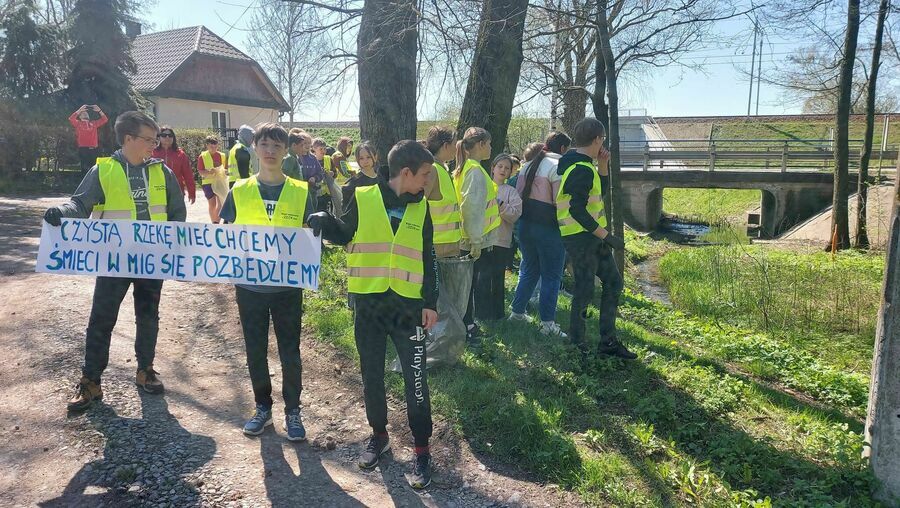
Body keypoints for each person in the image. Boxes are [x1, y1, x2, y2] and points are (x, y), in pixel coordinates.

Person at [307, 140, 438, 489]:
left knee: (416, 381)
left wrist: (431, 302)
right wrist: (325, 221)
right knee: (372, 376)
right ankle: (379, 436)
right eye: (425, 175)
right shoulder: (363, 197)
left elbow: (429, 256)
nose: (428, 181)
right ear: (406, 173)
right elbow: (344, 232)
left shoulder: (422, 208)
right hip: (368, 306)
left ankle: (422, 449)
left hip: (408, 310)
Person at [43, 111, 187, 411]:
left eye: (157, 139)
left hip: (151, 261)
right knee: (101, 319)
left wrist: (176, 251)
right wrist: (62, 213)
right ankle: (91, 381)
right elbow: (79, 204)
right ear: (128, 139)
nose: (155, 145)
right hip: (114, 261)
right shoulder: (103, 171)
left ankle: (145, 370)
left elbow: (177, 215)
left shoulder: (163, 172)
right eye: (149, 139)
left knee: (148, 317)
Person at [219, 122, 316, 441]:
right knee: (255, 350)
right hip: (250, 288)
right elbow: (223, 235)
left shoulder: (301, 192)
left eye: (277, 146)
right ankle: (262, 408)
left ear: (286, 150)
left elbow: (311, 236)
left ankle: (293, 411)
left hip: (288, 288)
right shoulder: (240, 190)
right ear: (255, 149)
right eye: (265, 145)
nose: (271, 151)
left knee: (291, 351)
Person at [556, 118, 634, 361]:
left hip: (590, 237)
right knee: (584, 290)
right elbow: (576, 210)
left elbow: (596, 192)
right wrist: (608, 237)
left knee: (613, 283)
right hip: (581, 239)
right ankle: (577, 342)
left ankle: (607, 341)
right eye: (603, 139)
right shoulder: (579, 168)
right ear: (598, 139)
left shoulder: (584, 165)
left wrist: (603, 166)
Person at [509, 139, 569, 337]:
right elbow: (560, 202)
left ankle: (517, 312)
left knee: (529, 270)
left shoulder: (526, 167)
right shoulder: (558, 166)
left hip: (526, 225)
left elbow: (517, 196)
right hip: (548, 228)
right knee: (551, 276)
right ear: (562, 149)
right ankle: (547, 323)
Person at [454, 127, 500, 344]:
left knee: (467, 287)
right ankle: (467, 327)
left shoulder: (468, 168)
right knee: (468, 288)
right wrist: (476, 241)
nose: (491, 148)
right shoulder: (474, 171)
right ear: (480, 144)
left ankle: (467, 324)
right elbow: (471, 209)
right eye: (489, 144)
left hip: (469, 238)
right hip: (472, 240)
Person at [477, 153, 521, 321]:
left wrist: (501, 204)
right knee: (482, 278)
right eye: (500, 166)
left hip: (501, 241)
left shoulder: (511, 192)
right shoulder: (484, 187)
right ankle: (481, 314)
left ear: (510, 172)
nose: (503, 170)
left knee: (497, 278)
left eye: (507, 168)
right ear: (493, 168)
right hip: (482, 240)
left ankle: (497, 315)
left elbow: (515, 215)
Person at [424, 126, 461, 258]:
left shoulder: (441, 169)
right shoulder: (432, 170)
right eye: (455, 143)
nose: (457, 148)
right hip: (436, 247)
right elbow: (419, 206)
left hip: (447, 246)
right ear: (445, 145)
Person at [152, 126, 196, 205]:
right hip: (157, 191)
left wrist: (192, 192)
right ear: (159, 137)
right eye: (164, 135)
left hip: (177, 191)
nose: (167, 137)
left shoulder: (180, 154)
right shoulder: (152, 153)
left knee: (177, 216)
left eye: (170, 135)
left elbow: (188, 175)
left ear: (173, 138)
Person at [69, 104, 108, 173]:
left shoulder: (94, 123)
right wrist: (79, 110)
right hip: (84, 149)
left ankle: (95, 183)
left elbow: (105, 119)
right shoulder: (78, 123)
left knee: (96, 170)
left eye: (86, 113)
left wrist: (99, 110)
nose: (85, 114)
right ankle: (85, 183)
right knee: (85, 170)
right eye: (83, 113)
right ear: (80, 117)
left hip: (95, 150)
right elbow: (71, 119)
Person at [340, 142, 380, 209]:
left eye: (368, 157)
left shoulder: (383, 179)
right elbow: (346, 210)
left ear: (375, 157)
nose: (365, 161)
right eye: (361, 158)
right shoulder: (352, 184)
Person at [198, 135, 228, 223]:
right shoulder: (202, 156)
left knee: (221, 202)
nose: (214, 148)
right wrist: (209, 172)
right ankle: (213, 222)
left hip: (220, 182)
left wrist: (224, 171)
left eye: (215, 146)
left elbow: (226, 169)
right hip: (208, 183)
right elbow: (200, 172)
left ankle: (216, 223)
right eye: (211, 146)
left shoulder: (222, 156)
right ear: (207, 145)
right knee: (212, 204)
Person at [311, 137, 342, 213]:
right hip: (316, 193)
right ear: (314, 149)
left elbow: (335, 173)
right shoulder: (311, 160)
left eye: (324, 149)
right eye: (321, 149)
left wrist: (333, 174)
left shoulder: (328, 159)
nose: (323, 151)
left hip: (328, 192)